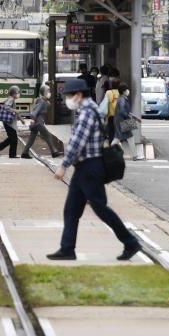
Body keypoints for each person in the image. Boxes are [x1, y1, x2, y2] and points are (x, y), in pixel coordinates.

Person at [47, 78, 141, 262]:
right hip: (85, 168)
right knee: (71, 210)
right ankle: (67, 248)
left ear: (79, 95)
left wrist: (63, 165)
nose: (68, 99)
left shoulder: (86, 113)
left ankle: (130, 242)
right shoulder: (89, 109)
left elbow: (77, 143)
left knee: (100, 208)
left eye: (69, 95)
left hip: (90, 168)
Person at [21, 85, 62, 159]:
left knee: (31, 139)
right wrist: (33, 118)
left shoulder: (43, 101)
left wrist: (47, 102)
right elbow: (35, 111)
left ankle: (24, 153)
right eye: (48, 92)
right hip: (38, 123)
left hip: (36, 124)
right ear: (44, 93)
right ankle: (54, 152)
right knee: (48, 136)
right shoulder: (42, 102)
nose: (49, 93)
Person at [112, 83, 141, 161]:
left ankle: (108, 153)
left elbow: (125, 111)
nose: (128, 91)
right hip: (123, 122)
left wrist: (133, 116)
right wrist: (129, 116)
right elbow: (122, 111)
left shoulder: (122, 98)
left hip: (120, 121)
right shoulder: (122, 99)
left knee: (118, 138)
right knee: (129, 137)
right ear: (124, 91)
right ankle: (135, 156)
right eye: (126, 90)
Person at [0, 86, 21, 158]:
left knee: (11, 138)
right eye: (17, 92)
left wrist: (21, 119)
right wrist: (15, 111)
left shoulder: (11, 99)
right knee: (14, 138)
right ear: (14, 93)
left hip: (8, 122)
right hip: (9, 123)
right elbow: (7, 107)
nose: (18, 94)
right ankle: (12, 154)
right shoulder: (11, 99)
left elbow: (13, 110)